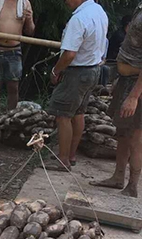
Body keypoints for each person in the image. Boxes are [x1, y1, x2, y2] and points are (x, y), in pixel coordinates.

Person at [45, 0, 108, 171]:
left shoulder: (79, 19)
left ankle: (63, 160)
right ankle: (70, 155)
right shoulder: (98, 11)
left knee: (63, 115)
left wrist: (55, 71)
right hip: (93, 69)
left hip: (77, 72)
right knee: (78, 113)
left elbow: (69, 54)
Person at [91, 3, 142, 197]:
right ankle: (118, 177)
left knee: (135, 138)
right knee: (122, 133)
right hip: (127, 79)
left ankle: (132, 186)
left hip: (136, 85)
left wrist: (134, 96)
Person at [0, 0, 35, 117]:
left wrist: (29, 19)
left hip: (14, 51)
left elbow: (30, 31)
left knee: (13, 86)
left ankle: (11, 118)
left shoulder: (25, 4)